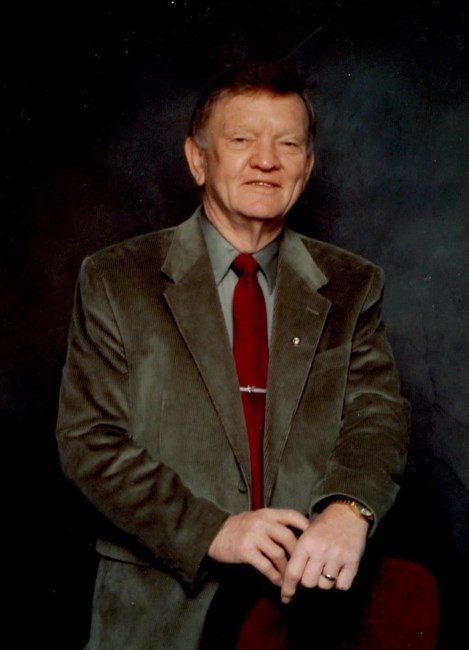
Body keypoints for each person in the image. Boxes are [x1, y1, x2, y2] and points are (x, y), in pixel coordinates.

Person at [56, 62, 410, 649]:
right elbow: (88, 440)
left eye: (287, 144)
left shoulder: (353, 286)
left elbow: (376, 417)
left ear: (307, 167)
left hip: (306, 616)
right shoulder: (116, 279)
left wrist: (349, 510)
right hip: (157, 618)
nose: (266, 160)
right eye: (242, 139)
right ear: (198, 160)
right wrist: (213, 531)